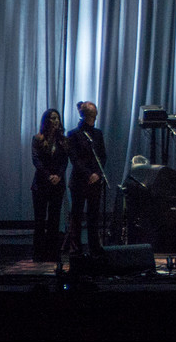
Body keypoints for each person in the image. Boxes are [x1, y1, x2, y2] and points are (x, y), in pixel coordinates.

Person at [66, 101, 107, 255]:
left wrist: (97, 174)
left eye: (95, 116)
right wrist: (88, 174)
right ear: (84, 116)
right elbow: (74, 159)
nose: (94, 119)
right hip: (79, 181)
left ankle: (94, 247)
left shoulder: (97, 134)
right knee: (76, 216)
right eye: (91, 116)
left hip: (95, 181)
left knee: (93, 216)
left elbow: (102, 156)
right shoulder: (73, 134)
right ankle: (76, 249)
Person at [30, 108, 69, 261]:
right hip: (41, 183)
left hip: (57, 184)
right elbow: (36, 160)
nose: (56, 121)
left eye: (57, 118)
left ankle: (53, 252)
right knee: (40, 220)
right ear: (46, 121)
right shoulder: (38, 139)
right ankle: (38, 253)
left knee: (54, 219)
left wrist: (58, 176)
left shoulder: (63, 140)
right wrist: (48, 176)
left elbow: (64, 161)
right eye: (53, 118)